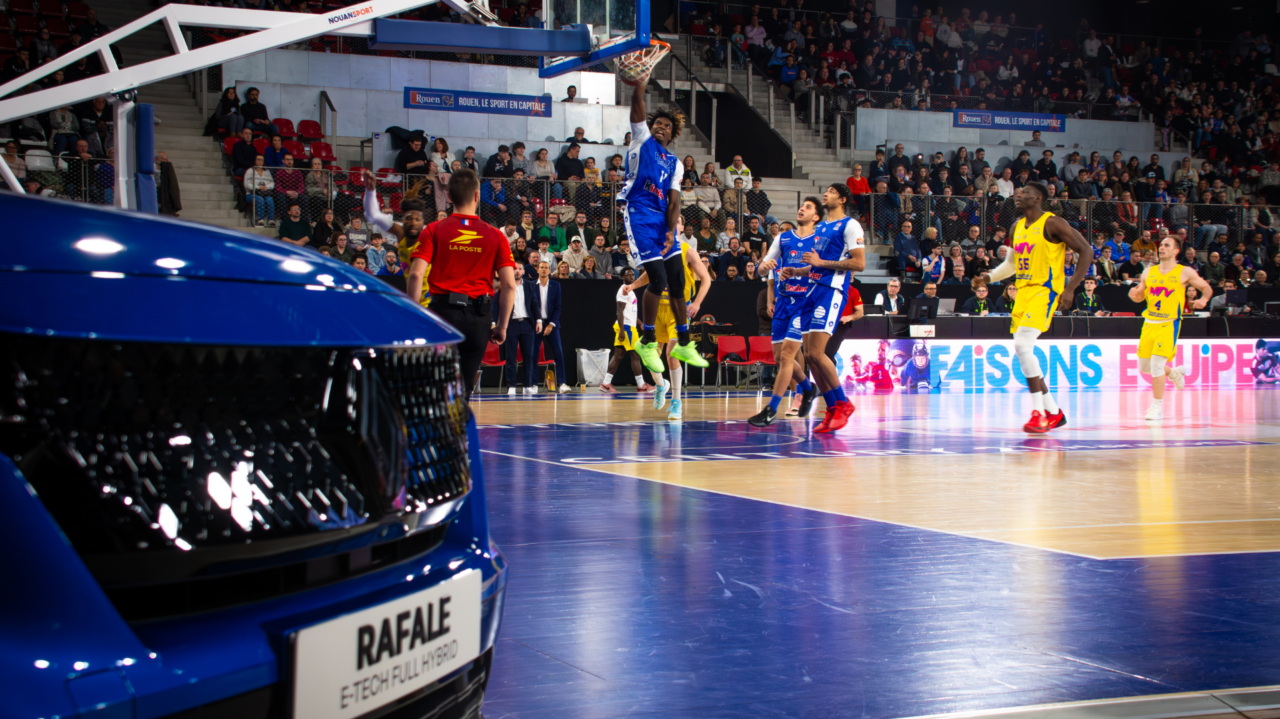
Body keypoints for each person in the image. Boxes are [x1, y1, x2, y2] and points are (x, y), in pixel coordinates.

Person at [972, 182, 1093, 433]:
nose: (1019, 195)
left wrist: (1071, 288)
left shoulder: (1053, 223)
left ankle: (1038, 413)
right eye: (1019, 191)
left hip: (1045, 290)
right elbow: (1011, 265)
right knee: (1024, 352)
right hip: (1023, 292)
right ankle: (1054, 412)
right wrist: (988, 278)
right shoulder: (1016, 227)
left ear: (1038, 198)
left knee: (1022, 345)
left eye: (1026, 193)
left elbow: (1086, 250)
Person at [621, 71, 709, 376]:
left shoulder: (674, 164)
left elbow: (674, 202)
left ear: (672, 135)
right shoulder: (642, 139)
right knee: (656, 280)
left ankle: (684, 340)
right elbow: (637, 107)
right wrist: (640, 83)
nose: (660, 127)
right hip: (639, 212)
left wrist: (672, 232)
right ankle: (646, 341)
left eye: (666, 126)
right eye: (658, 123)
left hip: (662, 219)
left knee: (676, 281)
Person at [770, 184, 865, 432]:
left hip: (831, 290)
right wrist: (796, 271)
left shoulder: (850, 224)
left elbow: (860, 263)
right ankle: (833, 408)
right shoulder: (820, 227)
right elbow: (815, 266)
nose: (826, 193)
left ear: (842, 199)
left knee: (819, 353)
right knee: (811, 357)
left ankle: (842, 403)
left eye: (832, 191)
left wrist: (820, 262)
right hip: (812, 289)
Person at [625, 216, 714, 421]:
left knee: (672, 356)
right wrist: (633, 286)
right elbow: (648, 276)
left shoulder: (687, 251)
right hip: (657, 310)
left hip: (678, 311)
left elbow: (706, 279)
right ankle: (660, 385)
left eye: (677, 222)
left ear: (681, 227)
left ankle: (676, 401)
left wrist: (697, 302)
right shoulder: (656, 249)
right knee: (650, 357)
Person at [752, 198, 824, 426]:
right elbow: (761, 267)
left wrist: (801, 271)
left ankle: (771, 409)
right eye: (801, 205)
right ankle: (807, 387)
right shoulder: (782, 238)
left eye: (808, 207)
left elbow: (824, 268)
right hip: (783, 302)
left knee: (786, 357)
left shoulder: (821, 239)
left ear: (816, 217)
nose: (802, 208)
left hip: (804, 303)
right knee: (777, 358)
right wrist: (766, 266)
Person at [1128, 236, 1213, 420]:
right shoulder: (1148, 272)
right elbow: (1140, 297)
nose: (1162, 247)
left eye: (1167, 245)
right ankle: (1175, 373)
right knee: (1145, 367)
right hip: (1149, 323)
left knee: (1157, 366)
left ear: (1176, 251)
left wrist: (1203, 300)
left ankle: (1156, 407)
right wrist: (1133, 294)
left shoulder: (1185, 272)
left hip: (1169, 324)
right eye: (1161, 245)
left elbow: (1206, 288)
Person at [601, 268, 655, 393]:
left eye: (632, 274)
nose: (631, 276)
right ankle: (641, 385)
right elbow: (619, 311)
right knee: (635, 355)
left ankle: (606, 383)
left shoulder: (630, 290)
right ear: (622, 277)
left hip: (627, 325)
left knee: (618, 356)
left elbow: (630, 312)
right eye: (628, 275)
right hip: (626, 327)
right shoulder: (623, 290)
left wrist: (641, 324)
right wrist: (621, 330)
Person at [498, 263, 540, 395]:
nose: (517, 271)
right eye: (515, 269)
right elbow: (495, 304)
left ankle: (528, 385)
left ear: (523, 271)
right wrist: (494, 322)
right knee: (511, 356)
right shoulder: (505, 285)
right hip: (511, 324)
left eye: (520, 269)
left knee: (529, 356)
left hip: (527, 323)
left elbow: (534, 304)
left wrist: (538, 320)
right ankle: (511, 386)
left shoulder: (529, 285)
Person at [531, 260, 571, 392]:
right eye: (541, 267)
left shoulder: (556, 285)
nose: (543, 269)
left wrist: (551, 325)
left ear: (549, 270)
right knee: (534, 354)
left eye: (546, 268)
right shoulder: (531, 286)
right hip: (536, 324)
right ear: (537, 270)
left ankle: (563, 384)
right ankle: (533, 384)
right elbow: (529, 306)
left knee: (558, 353)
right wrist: (537, 322)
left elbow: (558, 307)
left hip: (551, 323)